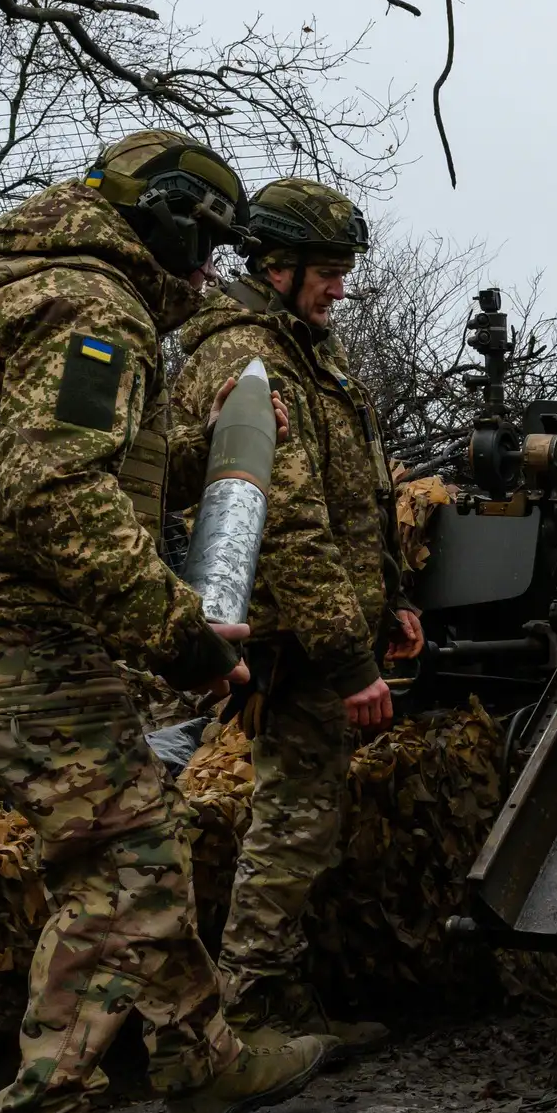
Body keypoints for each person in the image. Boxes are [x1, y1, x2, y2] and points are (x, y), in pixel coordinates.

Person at [0, 131, 327, 1113]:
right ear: (164, 221)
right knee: (120, 866)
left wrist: (214, 450)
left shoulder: (10, 279)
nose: (210, 273)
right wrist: (178, 632)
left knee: (132, 838)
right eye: (206, 246)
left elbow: (80, 463)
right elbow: (56, 493)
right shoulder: (89, 307)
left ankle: (202, 1060)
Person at [173, 177, 421, 1055]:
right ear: (276, 267)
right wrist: (353, 661)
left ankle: (274, 1002)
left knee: (303, 821)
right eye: (328, 271)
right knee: (292, 828)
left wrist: (386, 605)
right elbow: (287, 522)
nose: (340, 287)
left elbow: (356, 499)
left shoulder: (306, 348)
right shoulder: (251, 355)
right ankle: (250, 1014)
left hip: (332, 625)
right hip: (299, 637)